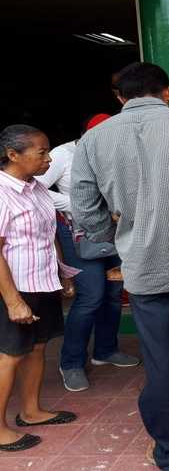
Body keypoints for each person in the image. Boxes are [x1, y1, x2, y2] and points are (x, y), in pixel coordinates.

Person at [70, 63, 169, 470]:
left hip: (144, 268)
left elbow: (84, 208)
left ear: (120, 97)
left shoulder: (93, 140)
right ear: (167, 92)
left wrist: (121, 236)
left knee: (161, 363)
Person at [36, 113, 139, 393]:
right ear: (86, 136)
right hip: (78, 234)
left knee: (114, 293)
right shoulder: (63, 155)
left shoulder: (116, 151)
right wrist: (77, 203)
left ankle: (105, 350)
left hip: (114, 231)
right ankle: (71, 362)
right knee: (91, 295)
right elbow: (36, 188)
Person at [0, 124, 77, 452]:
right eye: (42, 152)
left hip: (41, 282)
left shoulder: (37, 189)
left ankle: (31, 412)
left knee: (36, 347)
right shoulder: (2, 192)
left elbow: (50, 235)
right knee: (10, 354)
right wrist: (13, 300)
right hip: (14, 287)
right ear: (13, 155)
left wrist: (64, 275)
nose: (49, 159)